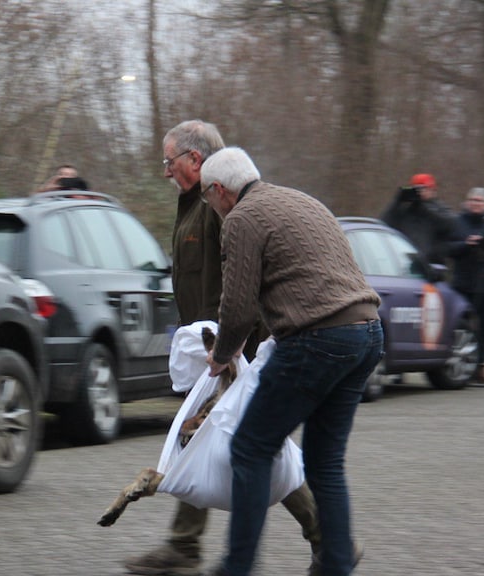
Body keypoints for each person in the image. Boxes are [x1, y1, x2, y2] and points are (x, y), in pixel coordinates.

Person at [124, 121, 322, 576]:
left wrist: (234, 346)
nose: (166, 171)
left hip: (232, 346)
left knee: (249, 446)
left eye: (169, 161)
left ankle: (326, 538)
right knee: (213, 443)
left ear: (194, 160)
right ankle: (185, 544)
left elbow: (242, 278)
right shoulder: (192, 206)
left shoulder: (218, 205)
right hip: (210, 347)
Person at [200, 147, 383, 576]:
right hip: (367, 333)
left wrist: (221, 355)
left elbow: (239, 306)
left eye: (209, 199)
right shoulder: (303, 201)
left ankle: (237, 568)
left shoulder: (242, 220)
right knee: (325, 462)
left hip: (317, 340)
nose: (212, 208)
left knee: (249, 448)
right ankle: (335, 566)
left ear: (220, 191)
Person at [447, 187, 484, 383]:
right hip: (463, 283)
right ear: (467, 202)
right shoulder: (457, 222)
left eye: (480, 201)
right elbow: (448, 249)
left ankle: (481, 367)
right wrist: (466, 243)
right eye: (473, 200)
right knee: (462, 327)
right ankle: (460, 367)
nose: (476, 203)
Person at [380, 173, 456, 266]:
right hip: (407, 263)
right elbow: (384, 225)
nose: (420, 192)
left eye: (423, 188)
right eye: (416, 189)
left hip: (433, 266)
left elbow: (450, 225)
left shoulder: (440, 208)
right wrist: (396, 202)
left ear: (433, 190)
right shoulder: (406, 210)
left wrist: (423, 208)